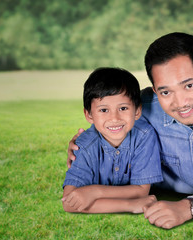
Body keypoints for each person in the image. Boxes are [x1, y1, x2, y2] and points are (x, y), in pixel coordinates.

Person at [67, 32, 193, 229]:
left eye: (188, 85)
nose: (180, 103)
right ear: (155, 91)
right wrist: (82, 143)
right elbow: (106, 117)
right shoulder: (143, 107)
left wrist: (189, 208)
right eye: (166, 92)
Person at [62, 67, 163, 214]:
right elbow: (68, 203)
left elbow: (141, 191)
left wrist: (94, 192)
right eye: (104, 110)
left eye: (123, 108)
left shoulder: (144, 136)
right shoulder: (84, 145)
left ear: (137, 111)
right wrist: (130, 205)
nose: (114, 118)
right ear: (89, 115)